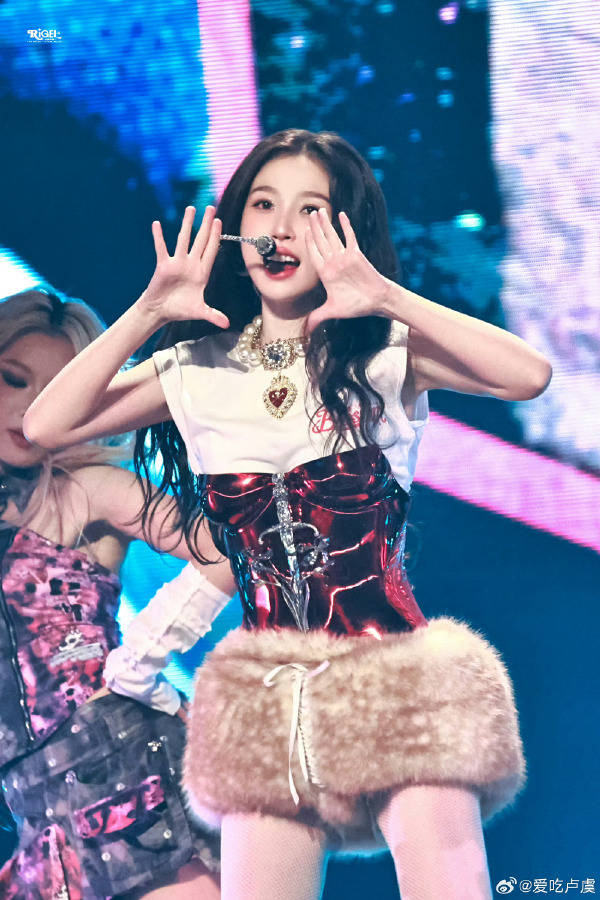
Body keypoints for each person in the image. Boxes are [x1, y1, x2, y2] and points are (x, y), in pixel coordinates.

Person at [25, 129, 553, 900]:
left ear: (344, 231)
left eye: (309, 211)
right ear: (236, 225)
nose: (278, 230)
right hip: (266, 704)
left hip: (398, 681)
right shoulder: (194, 370)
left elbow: (529, 375)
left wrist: (385, 295)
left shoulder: (381, 352)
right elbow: (46, 425)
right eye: (263, 205)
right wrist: (148, 311)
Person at [0, 287, 234, 899]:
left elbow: (234, 550)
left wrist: (141, 659)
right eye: (13, 379)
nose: (30, 408)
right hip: (39, 821)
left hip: (132, 774)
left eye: (56, 389)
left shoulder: (89, 491)